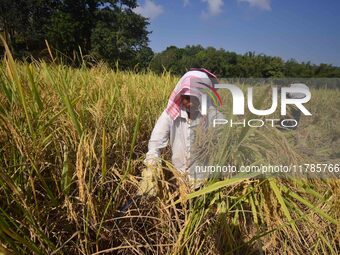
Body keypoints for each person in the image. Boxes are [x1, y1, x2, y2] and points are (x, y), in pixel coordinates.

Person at [138, 68, 224, 197]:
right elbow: (155, 143)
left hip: (205, 181)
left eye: (195, 98)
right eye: (186, 98)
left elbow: (227, 140)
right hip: (178, 179)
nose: (189, 103)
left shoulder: (214, 117)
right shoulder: (170, 114)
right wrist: (151, 169)